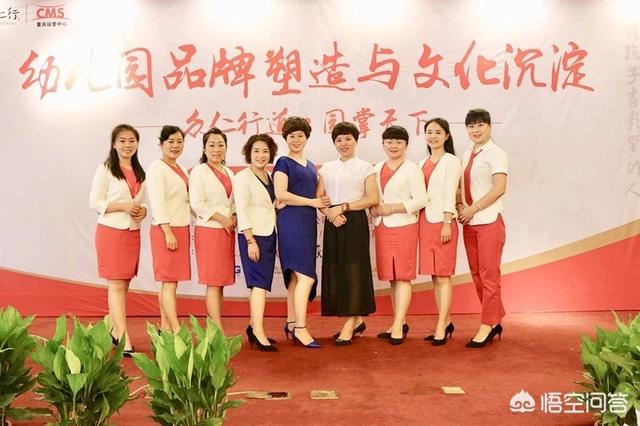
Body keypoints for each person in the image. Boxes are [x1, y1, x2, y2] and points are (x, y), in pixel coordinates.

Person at [317, 122, 379, 346]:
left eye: (348, 139)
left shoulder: (366, 167)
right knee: (336, 269)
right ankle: (358, 321)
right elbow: (319, 198)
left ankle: (351, 321)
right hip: (333, 221)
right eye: (339, 140)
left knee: (355, 270)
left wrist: (343, 208)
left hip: (354, 221)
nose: (343, 143)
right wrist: (331, 214)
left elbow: (373, 198)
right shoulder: (326, 168)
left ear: (356, 140)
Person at [89, 124, 147, 355]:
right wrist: (123, 206)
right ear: (114, 144)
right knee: (115, 285)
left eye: (131, 140)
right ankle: (123, 338)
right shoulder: (105, 169)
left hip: (131, 232)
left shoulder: (139, 170)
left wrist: (142, 211)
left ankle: (114, 330)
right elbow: (95, 202)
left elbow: (141, 202)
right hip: (111, 232)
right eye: (122, 141)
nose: (127, 145)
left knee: (124, 285)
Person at [273, 116, 330, 348]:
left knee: (297, 278)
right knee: (306, 276)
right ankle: (301, 328)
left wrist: (325, 204)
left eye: (300, 135)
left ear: (307, 138)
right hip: (290, 222)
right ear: (285, 138)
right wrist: (311, 202)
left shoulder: (311, 166)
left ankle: (291, 322)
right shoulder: (283, 162)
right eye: (291, 136)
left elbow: (318, 197)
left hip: (308, 223)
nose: (296, 139)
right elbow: (281, 194)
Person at [372, 125, 427, 345]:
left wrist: (393, 208)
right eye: (389, 142)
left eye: (398, 142)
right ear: (383, 144)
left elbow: (421, 199)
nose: (393, 146)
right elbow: (373, 196)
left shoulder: (413, 169)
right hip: (382, 227)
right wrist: (374, 208)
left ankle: (397, 325)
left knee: (403, 276)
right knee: (392, 277)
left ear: (406, 145)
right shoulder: (377, 167)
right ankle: (399, 322)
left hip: (404, 226)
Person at [457, 108, 508, 348]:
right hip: (469, 222)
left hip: (488, 221)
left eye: (480, 125)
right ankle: (494, 319)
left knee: (489, 276)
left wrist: (473, 208)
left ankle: (487, 324)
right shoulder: (466, 154)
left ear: (490, 127)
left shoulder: (496, 154)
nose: (475, 130)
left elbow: (499, 188)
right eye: (471, 126)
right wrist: (460, 205)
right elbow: (461, 187)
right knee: (477, 275)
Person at [418, 118, 461, 346]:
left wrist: (446, 221)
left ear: (446, 136)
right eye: (429, 132)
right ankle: (446, 321)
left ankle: (441, 325)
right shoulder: (422, 162)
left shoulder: (451, 161)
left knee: (443, 276)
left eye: (438, 132)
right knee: (435, 276)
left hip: (443, 222)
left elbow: (450, 192)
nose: (433, 136)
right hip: (425, 222)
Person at [235, 134, 280, 352]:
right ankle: (259, 332)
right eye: (256, 151)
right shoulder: (242, 177)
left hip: (269, 233)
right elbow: (242, 209)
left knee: (260, 285)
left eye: (265, 151)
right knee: (259, 284)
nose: (261, 155)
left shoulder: (269, 176)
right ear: (248, 153)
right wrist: (250, 240)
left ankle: (254, 326)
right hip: (252, 236)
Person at [189, 128, 236, 333]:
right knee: (213, 282)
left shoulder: (229, 172)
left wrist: (234, 216)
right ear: (204, 149)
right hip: (209, 231)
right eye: (212, 145)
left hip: (226, 231)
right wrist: (222, 218)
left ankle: (215, 327)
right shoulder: (199, 172)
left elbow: (233, 202)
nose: (217, 149)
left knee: (221, 283)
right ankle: (217, 330)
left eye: (220, 145)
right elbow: (196, 203)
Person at [146, 125, 191, 333]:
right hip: (166, 230)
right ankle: (176, 329)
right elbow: (157, 202)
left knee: (170, 283)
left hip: (181, 227)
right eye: (171, 141)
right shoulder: (157, 168)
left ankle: (164, 327)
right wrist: (167, 231)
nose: (175, 146)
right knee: (169, 283)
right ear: (161, 143)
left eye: (179, 141)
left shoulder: (181, 168)